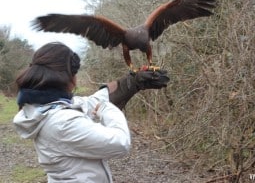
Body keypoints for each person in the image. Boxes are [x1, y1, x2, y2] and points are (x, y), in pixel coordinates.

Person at [13, 42, 169, 183]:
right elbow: (120, 143)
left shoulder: (42, 108)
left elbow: (88, 103)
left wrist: (132, 82)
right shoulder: (62, 122)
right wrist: (107, 109)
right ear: (69, 78)